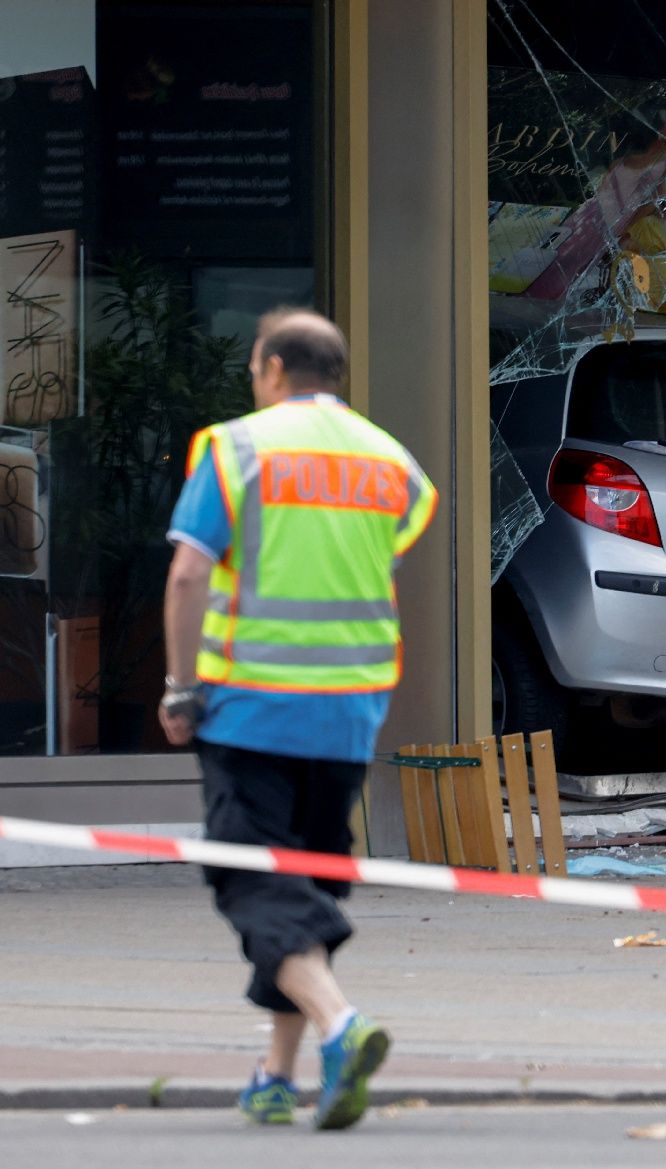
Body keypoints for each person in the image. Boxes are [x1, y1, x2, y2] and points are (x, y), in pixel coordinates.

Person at [158, 308, 437, 1130]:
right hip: (349, 712)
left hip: (249, 707)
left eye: (255, 365)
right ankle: (276, 1076)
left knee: (253, 879)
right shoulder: (392, 461)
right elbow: (393, 543)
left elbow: (187, 576)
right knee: (304, 880)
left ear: (273, 367)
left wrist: (180, 687)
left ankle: (343, 1026)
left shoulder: (237, 447)